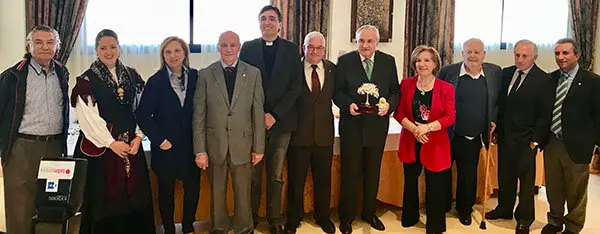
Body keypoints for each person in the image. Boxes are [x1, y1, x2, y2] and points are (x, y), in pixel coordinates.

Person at [71, 29, 154, 234]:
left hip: (131, 144)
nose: (109, 52)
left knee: (135, 194)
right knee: (106, 195)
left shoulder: (132, 75)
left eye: (113, 47)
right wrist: (110, 143)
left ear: (119, 48)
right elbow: (88, 119)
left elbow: (141, 109)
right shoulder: (87, 80)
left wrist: (139, 137)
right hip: (102, 147)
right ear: (96, 50)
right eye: (103, 47)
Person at [193, 31, 265, 234]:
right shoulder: (206, 74)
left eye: (232, 45)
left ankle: (244, 228)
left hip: (243, 145)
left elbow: (257, 112)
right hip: (214, 145)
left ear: (239, 47)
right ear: (218, 47)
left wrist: (258, 147)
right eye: (224, 45)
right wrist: (200, 150)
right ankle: (219, 228)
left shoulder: (253, 74)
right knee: (217, 193)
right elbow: (199, 115)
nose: (228, 49)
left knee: (243, 193)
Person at [0, 25, 69, 234]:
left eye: (50, 42)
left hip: (54, 148)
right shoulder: (12, 76)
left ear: (57, 46)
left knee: (50, 207)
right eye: (38, 42)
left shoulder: (62, 72)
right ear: (29, 46)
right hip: (22, 149)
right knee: (20, 209)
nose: (44, 47)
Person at [239, 5, 302, 233]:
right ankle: (252, 217)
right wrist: (259, 115)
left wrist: (274, 115)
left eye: (272, 19)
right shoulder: (247, 48)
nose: (267, 22)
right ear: (259, 23)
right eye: (263, 18)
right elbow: (242, 85)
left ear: (280, 23)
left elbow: (296, 87)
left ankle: (275, 220)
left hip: (281, 123)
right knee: (253, 177)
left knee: (275, 176)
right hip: (252, 123)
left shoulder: (291, 49)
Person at [333, 24, 400, 234]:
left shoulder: (388, 62)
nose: (365, 45)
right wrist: (347, 105)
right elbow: (337, 92)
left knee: (372, 173)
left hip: (377, 128)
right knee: (350, 174)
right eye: (361, 40)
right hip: (352, 127)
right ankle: (346, 217)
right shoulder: (345, 61)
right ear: (356, 41)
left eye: (369, 41)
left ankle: (370, 213)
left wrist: (389, 106)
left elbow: (395, 92)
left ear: (377, 43)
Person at [485, 39, 554, 234]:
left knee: (525, 182)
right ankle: (504, 209)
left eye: (525, 56)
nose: (520, 59)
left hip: (527, 140)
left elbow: (545, 113)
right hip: (506, 136)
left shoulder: (543, 80)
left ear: (534, 57)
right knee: (505, 176)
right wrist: (497, 130)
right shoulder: (506, 74)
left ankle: (524, 218)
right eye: (517, 55)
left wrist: (536, 139)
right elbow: (501, 105)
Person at [136, 36, 199, 234]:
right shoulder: (155, 81)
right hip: (166, 147)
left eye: (177, 51)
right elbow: (143, 115)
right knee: (166, 193)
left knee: (193, 190)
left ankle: (188, 226)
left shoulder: (197, 77)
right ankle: (169, 230)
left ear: (184, 53)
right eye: (168, 52)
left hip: (191, 146)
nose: (173, 56)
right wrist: (160, 140)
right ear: (163, 56)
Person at [437, 38, 501, 225]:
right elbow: (436, 97)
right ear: (462, 53)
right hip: (447, 134)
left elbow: (498, 102)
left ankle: (465, 209)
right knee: (443, 171)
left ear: (483, 54)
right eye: (468, 52)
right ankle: (443, 205)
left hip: (473, 135)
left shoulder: (494, 73)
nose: (473, 55)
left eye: (477, 52)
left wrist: (494, 121)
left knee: (468, 175)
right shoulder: (449, 72)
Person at [540, 38, 600, 234]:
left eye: (565, 53)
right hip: (552, 142)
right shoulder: (550, 79)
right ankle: (554, 221)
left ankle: (573, 226)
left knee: (576, 189)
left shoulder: (593, 82)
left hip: (578, 144)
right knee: (554, 187)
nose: (561, 57)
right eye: (557, 53)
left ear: (577, 55)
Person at [394, 45, 455, 234]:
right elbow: (399, 112)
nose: (422, 64)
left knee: (435, 185)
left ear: (435, 63)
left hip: (435, 141)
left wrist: (426, 127)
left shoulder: (446, 88)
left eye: (427, 60)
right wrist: (415, 129)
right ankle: (410, 216)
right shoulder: (406, 84)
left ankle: (435, 225)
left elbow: (450, 116)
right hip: (411, 139)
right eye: (419, 60)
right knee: (410, 181)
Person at [284, 31, 336, 234]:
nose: (315, 51)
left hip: (324, 136)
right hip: (299, 135)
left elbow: (339, 95)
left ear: (324, 49)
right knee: (296, 182)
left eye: (319, 47)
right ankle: (293, 219)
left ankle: (323, 217)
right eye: (310, 47)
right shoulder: (293, 69)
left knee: (323, 181)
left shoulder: (332, 69)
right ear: (303, 48)